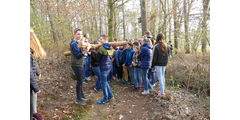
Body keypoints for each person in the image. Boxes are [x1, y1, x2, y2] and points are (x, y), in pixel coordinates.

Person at [70, 28, 90, 105]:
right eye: (78, 34)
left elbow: (82, 50)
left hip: (79, 64)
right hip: (76, 64)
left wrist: (86, 47)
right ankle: (78, 99)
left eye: (81, 34)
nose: (80, 35)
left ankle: (81, 95)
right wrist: (86, 51)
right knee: (79, 81)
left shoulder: (79, 43)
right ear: (74, 34)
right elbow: (78, 55)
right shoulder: (73, 44)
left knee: (81, 80)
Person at [97, 34, 114, 104]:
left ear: (104, 40)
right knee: (105, 81)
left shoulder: (101, 48)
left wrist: (95, 52)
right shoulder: (110, 47)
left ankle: (105, 99)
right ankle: (110, 95)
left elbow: (98, 58)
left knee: (103, 83)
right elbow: (111, 55)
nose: (100, 40)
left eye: (101, 39)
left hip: (104, 67)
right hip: (109, 66)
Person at [30, 50, 43, 120]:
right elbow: (29, 72)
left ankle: (34, 112)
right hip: (30, 81)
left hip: (32, 79)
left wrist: (38, 71)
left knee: (33, 97)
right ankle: (33, 113)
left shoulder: (30, 52)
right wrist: (36, 87)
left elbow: (33, 62)